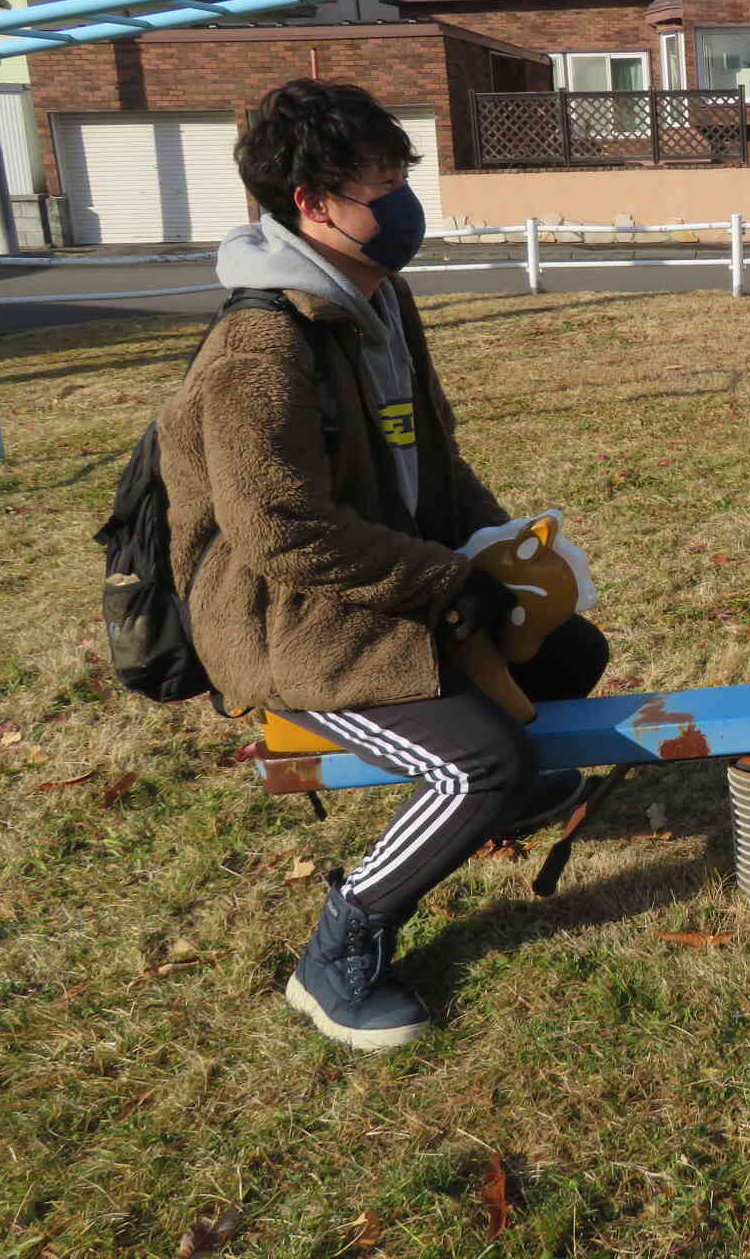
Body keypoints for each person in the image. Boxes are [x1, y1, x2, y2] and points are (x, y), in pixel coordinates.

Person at [155, 79, 608, 1051]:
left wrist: (499, 551)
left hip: (385, 586)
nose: (403, 201)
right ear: (311, 204)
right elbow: (280, 532)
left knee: (568, 658)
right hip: (292, 624)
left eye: (403, 175)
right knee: (479, 768)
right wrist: (449, 583)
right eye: (380, 186)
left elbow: (431, 463)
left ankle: (507, 785)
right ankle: (341, 946)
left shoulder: (381, 299)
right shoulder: (260, 345)